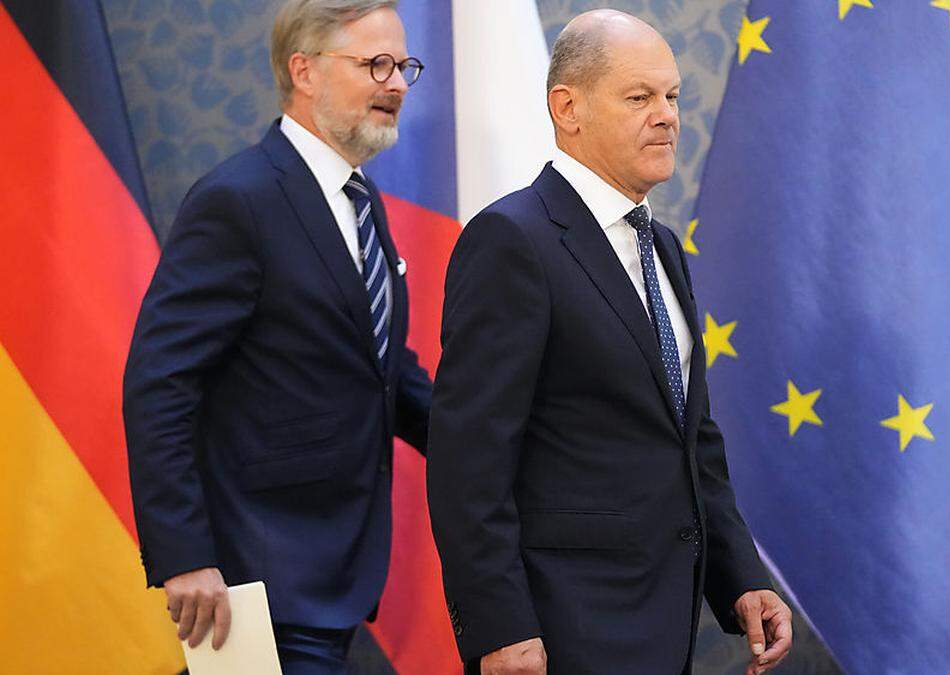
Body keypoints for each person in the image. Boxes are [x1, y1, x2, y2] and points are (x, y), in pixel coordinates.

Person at [427, 10, 792, 675]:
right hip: (561, 630)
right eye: (639, 97)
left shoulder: (665, 248)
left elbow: (689, 437)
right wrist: (499, 624)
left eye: (672, 96)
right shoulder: (513, 241)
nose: (667, 116)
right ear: (566, 107)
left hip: (663, 624)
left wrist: (742, 576)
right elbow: (468, 460)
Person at [122, 1, 431, 671]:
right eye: (375, 64)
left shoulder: (361, 199)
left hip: (336, 576)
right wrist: (186, 556)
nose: (399, 84)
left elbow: (385, 370)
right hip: (249, 582)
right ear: (305, 71)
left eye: (404, 65)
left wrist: (502, 442)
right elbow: (159, 384)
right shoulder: (239, 200)